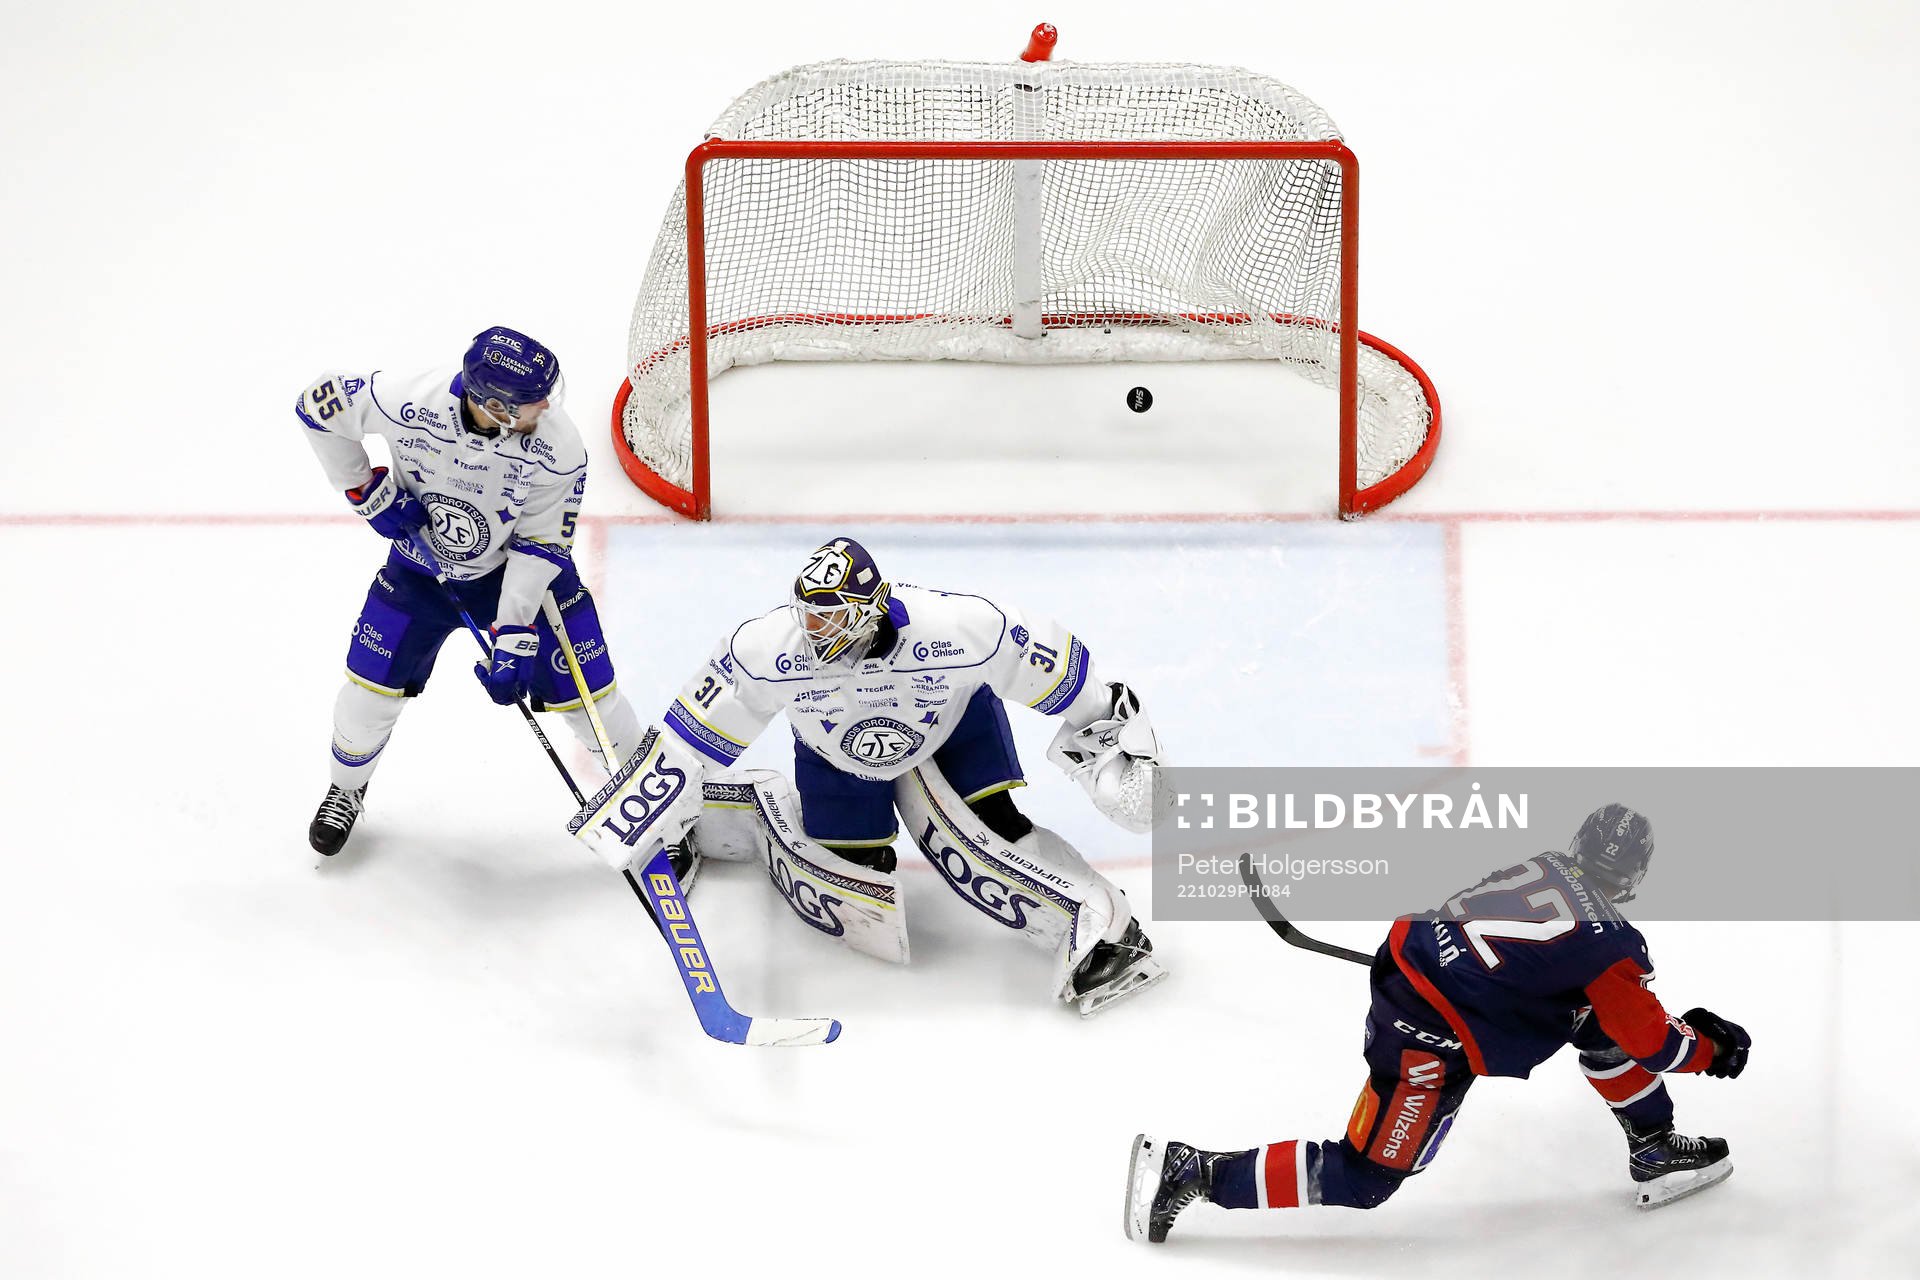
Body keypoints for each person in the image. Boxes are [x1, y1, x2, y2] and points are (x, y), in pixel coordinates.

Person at [567, 536, 1168, 1014]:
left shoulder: (959, 626)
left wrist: (1110, 740)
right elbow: (688, 740)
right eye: (808, 617)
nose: (813, 631)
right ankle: (727, 819)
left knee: (997, 832)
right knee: (857, 892)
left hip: (951, 729)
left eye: (830, 619)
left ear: (871, 607)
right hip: (836, 754)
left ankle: (1106, 932)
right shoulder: (764, 649)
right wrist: (649, 809)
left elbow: (1057, 668)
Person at [1126, 805, 1752, 1241]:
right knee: (1367, 1176)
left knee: (1597, 1027)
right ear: (1637, 874)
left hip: (1415, 970)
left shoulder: (1539, 866)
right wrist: (1710, 1050)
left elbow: (1497, 942)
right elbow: (1655, 1042)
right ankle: (1194, 1173)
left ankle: (1652, 1146)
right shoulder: (1611, 945)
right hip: (1427, 1041)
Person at [296, 326, 642, 856]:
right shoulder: (407, 399)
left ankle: (651, 806)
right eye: (532, 402)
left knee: (592, 701)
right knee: (366, 696)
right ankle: (346, 788)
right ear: (493, 404)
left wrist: (514, 632)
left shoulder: (560, 447)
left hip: (519, 578)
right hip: (419, 573)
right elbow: (316, 405)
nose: (546, 407)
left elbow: (542, 545)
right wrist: (365, 490)